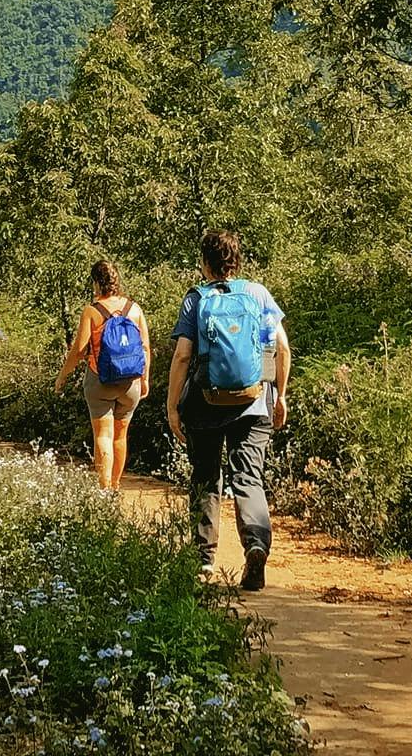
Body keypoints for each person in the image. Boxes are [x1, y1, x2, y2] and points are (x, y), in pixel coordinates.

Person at [166, 228, 290, 592]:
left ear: (205, 263)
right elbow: (282, 348)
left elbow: (182, 355)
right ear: (238, 260)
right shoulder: (258, 293)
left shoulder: (196, 299)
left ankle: (203, 561)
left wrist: (173, 406)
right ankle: (255, 545)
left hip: (206, 402)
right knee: (249, 478)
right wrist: (279, 396)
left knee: (206, 476)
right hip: (255, 401)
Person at [53, 260, 152, 491]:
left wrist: (63, 376)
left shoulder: (92, 311)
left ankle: (104, 489)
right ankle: (116, 486)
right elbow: (146, 347)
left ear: (96, 283)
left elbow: (79, 350)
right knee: (121, 436)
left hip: (100, 380)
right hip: (131, 382)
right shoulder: (134, 309)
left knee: (103, 436)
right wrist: (145, 378)